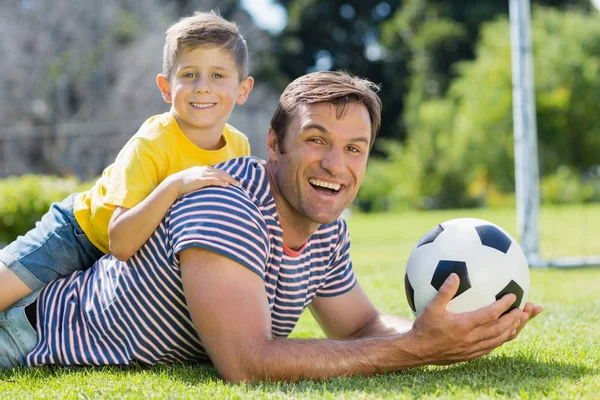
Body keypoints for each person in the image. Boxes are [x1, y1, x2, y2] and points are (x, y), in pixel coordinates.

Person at [0, 71, 543, 381]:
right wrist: (418, 350)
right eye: (316, 140)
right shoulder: (226, 202)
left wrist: (455, 333)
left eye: (355, 149)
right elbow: (246, 362)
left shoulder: (325, 223)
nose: (336, 165)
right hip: (23, 338)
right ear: (274, 145)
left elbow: (358, 328)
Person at [0, 11, 254, 312]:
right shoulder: (151, 143)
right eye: (188, 74)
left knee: (40, 316)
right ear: (165, 87)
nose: (202, 86)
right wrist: (173, 186)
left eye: (218, 75)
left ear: (243, 90)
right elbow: (120, 242)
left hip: (130, 267)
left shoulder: (238, 146)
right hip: (77, 235)